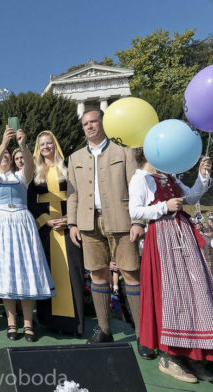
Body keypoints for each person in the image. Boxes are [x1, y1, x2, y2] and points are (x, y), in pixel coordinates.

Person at [129, 150, 213, 382]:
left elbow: (192, 198)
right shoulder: (140, 178)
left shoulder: (170, 176)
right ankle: (170, 356)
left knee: (194, 293)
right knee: (170, 294)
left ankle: (194, 357)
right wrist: (164, 206)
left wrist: (202, 176)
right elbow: (135, 211)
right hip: (162, 237)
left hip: (183, 234)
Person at [66, 110, 146, 351]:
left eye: (93, 121)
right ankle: (104, 330)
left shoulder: (124, 152)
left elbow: (136, 187)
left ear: (103, 122)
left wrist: (138, 221)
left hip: (122, 221)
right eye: (85, 124)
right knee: (97, 275)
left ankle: (143, 336)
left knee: (131, 274)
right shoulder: (75, 157)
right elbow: (73, 195)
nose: (89, 127)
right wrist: (72, 223)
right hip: (88, 223)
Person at [0, 127, 55, 342]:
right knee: (6, 274)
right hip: (0, 224)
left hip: (22, 221)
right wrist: (3, 144)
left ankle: (28, 322)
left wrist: (22, 145)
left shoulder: (20, 176)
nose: (4, 158)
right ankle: (11, 322)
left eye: (7, 156)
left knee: (26, 271)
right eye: (1, 155)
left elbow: (30, 167)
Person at [27, 131, 85, 337]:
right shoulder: (34, 173)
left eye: (49, 143)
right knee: (47, 273)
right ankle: (50, 322)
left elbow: (78, 196)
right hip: (45, 230)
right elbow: (30, 202)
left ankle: (75, 324)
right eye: (41, 144)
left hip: (68, 228)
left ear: (55, 145)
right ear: (38, 148)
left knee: (73, 274)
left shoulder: (68, 169)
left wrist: (69, 219)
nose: (45, 147)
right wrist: (45, 220)